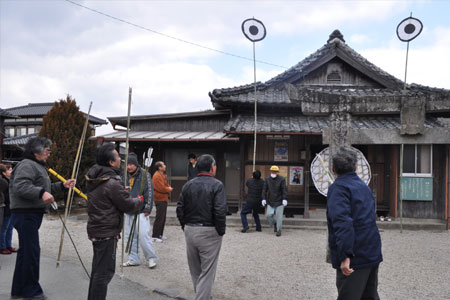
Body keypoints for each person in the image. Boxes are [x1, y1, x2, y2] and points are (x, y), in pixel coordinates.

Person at [9, 136, 76, 300]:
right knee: (31, 252)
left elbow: (42, 188)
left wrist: (61, 186)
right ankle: (31, 291)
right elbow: (21, 186)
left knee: (25, 253)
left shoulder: (36, 166)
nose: (49, 154)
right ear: (36, 151)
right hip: (25, 214)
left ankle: (18, 290)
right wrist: (41, 193)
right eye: (47, 150)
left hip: (29, 214)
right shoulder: (27, 165)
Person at [85, 143, 143, 300]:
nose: (120, 159)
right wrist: (138, 200)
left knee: (98, 271)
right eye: (118, 156)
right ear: (111, 162)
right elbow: (128, 205)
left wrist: (124, 195)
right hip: (107, 232)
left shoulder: (94, 178)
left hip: (97, 229)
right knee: (104, 274)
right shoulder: (111, 182)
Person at [327, 147, 383, 300]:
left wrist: (345, 256)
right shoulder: (363, 187)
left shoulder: (338, 189)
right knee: (369, 295)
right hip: (372, 250)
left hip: (354, 256)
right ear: (356, 167)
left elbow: (343, 223)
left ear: (333, 168)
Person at [176, 154, 226, 300]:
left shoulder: (188, 185)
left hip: (190, 230)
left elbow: (180, 208)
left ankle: (204, 295)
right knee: (207, 271)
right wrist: (220, 231)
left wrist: (184, 226)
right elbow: (220, 210)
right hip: (209, 230)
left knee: (195, 270)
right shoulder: (217, 185)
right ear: (212, 167)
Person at [123, 152, 158, 269]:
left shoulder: (145, 174)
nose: (129, 167)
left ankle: (151, 258)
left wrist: (148, 207)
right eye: (127, 164)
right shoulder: (124, 175)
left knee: (143, 235)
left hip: (141, 210)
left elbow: (149, 192)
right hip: (128, 209)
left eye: (131, 164)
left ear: (136, 164)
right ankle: (133, 258)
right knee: (129, 236)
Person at [261, 166, 288, 237]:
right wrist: (263, 198)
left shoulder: (282, 179)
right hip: (271, 200)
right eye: (272, 171)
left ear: (277, 172)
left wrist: (284, 199)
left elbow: (284, 189)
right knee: (268, 215)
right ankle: (274, 224)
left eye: (275, 171)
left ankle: (279, 230)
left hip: (280, 201)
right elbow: (264, 189)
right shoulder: (267, 179)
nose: (273, 172)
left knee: (279, 217)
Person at [152, 161, 173, 242]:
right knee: (159, 218)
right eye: (163, 165)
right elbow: (161, 188)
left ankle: (160, 234)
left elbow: (165, 184)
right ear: (159, 167)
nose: (165, 166)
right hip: (159, 199)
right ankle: (155, 236)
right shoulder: (157, 176)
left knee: (163, 218)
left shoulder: (161, 175)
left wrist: (168, 187)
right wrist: (169, 189)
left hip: (163, 198)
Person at [0, 163, 17, 255]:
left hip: (12, 207)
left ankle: (8, 245)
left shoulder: (10, 181)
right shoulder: (4, 183)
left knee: (10, 228)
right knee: (4, 228)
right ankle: (2, 246)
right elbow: (6, 196)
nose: (11, 171)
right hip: (6, 207)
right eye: (9, 170)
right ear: (3, 172)